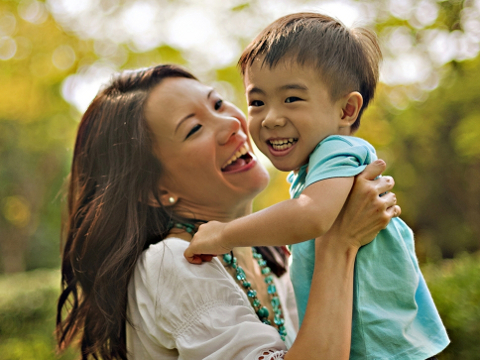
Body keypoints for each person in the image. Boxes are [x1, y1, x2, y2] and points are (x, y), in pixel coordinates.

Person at [56, 64, 400, 360]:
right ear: (156, 190)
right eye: (193, 129)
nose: (230, 124)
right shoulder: (172, 263)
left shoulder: (273, 258)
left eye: (218, 103)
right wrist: (340, 240)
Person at [184, 12, 449, 359]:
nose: (271, 118)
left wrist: (223, 235)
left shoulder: (338, 150)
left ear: (346, 110)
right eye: (257, 102)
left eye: (292, 99)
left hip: (376, 347)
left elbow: (311, 216)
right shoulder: (317, 171)